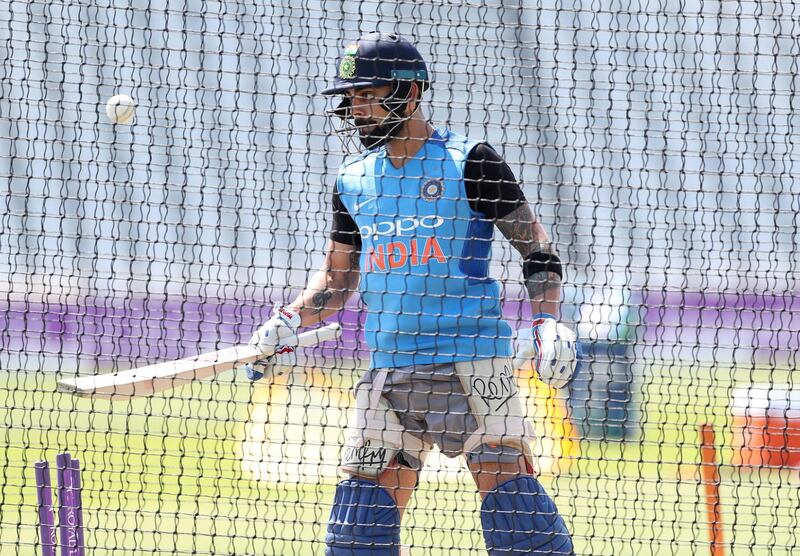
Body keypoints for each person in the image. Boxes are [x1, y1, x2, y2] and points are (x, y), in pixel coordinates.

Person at [247, 32, 577, 556]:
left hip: (471, 364)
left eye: (367, 94)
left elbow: (537, 249)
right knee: (357, 529)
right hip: (389, 371)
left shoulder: (472, 160)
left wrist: (546, 321)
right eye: (350, 98)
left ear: (410, 93)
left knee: (517, 519)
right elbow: (336, 282)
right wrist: (288, 320)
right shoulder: (352, 180)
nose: (355, 109)